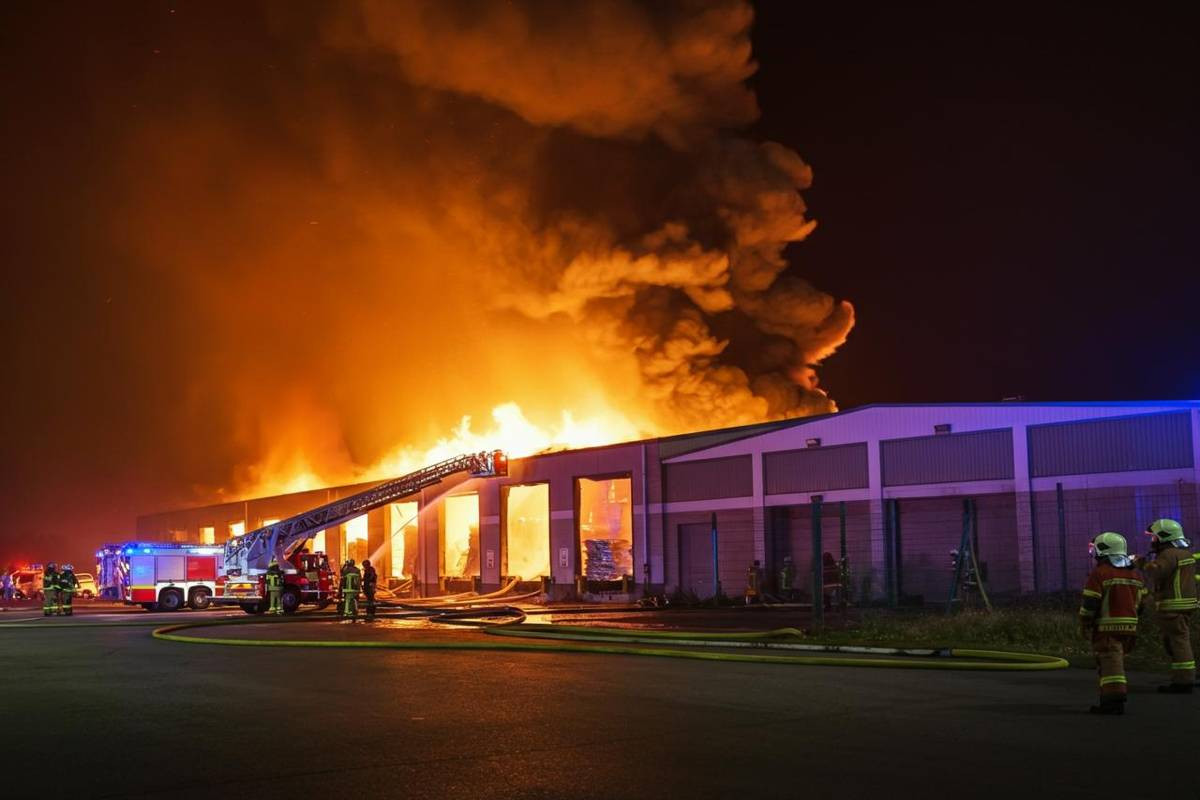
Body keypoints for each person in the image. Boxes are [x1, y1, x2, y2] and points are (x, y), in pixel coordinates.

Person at [1079, 532, 1145, 715]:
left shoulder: (1099, 573)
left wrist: (1085, 621)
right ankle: (1111, 696)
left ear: (1102, 551)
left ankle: (1113, 700)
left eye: (1095, 549)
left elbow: (1090, 603)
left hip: (1107, 627)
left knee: (1110, 662)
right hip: (1130, 627)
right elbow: (1141, 603)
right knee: (1116, 659)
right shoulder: (1135, 574)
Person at [1133, 518, 1197, 693]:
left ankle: (1184, 681)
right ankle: (1182, 678)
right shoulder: (1184, 553)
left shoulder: (1168, 554)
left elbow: (1157, 572)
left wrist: (1140, 563)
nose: (1152, 541)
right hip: (1184, 604)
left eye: (1154, 537)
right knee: (1177, 641)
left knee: (1177, 642)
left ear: (1163, 537)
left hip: (1173, 606)